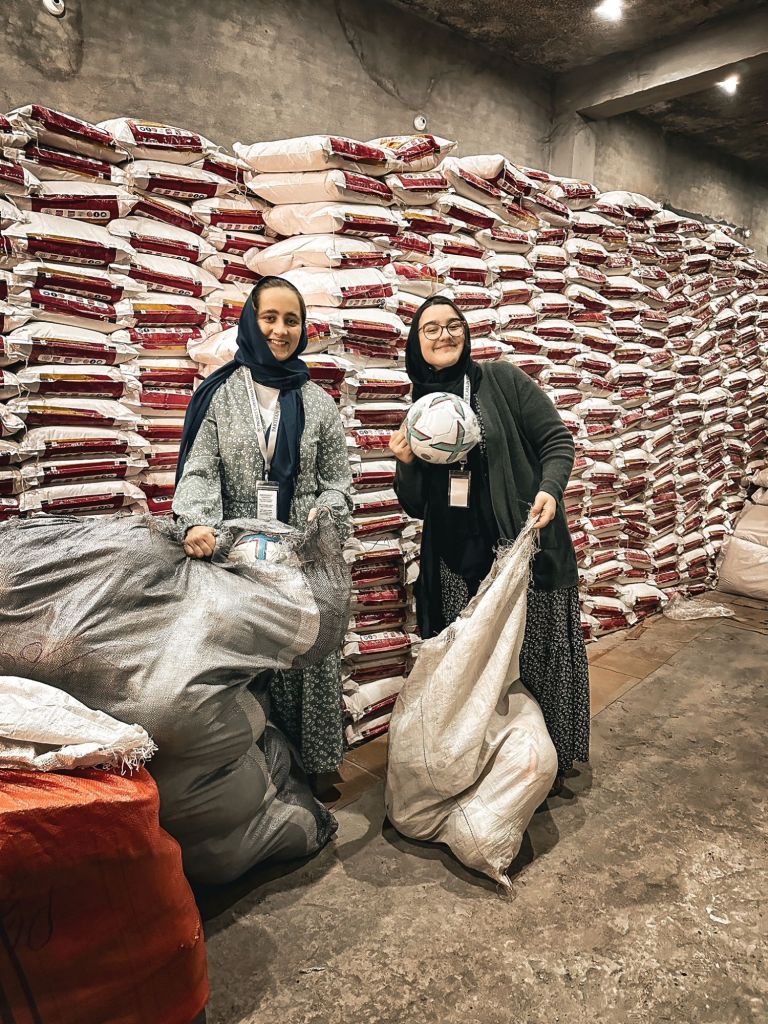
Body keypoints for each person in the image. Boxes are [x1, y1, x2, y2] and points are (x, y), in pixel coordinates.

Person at [389, 296, 589, 791]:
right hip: (455, 561)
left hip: (522, 550)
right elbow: (417, 506)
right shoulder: (420, 407)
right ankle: (482, 769)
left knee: (536, 656)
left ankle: (544, 768)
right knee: (472, 668)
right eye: (430, 328)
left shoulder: (500, 380)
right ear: (416, 343)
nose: (444, 335)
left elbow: (557, 441)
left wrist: (549, 489)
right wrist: (405, 464)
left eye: (453, 325)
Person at [173, 276, 352, 792]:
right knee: (243, 664)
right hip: (236, 553)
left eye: (291, 320)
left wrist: (325, 517)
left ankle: (314, 762)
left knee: (308, 656)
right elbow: (201, 468)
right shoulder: (219, 395)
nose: (280, 329)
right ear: (250, 322)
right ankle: (251, 774)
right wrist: (198, 522)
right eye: (269, 317)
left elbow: (337, 482)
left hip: (302, 553)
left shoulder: (318, 401)